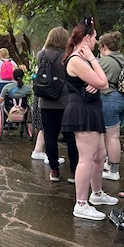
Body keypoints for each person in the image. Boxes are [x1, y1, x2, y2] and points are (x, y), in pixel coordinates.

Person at [61, 17, 115, 221]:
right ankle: (81, 204)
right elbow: (104, 83)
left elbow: (100, 82)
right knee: (86, 158)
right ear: (87, 38)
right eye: (94, 38)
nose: (96, 41)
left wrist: (95, 76)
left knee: (100, 155)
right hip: (82, 110)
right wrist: (93, 61)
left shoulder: (80, 58)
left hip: (90, 108)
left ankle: (97, 193)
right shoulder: (77, 59)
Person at [38, 27, 78, 183]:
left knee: (50, 137)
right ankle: (74, 171)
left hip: (45, 102)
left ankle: (54, 170)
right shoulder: (67, 56)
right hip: (65, 102)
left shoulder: (41, 54)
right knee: (70, 138)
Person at [98, 31, 124, 182]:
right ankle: (109, 162)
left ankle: (114, 170)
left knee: (112, 136)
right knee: (112, 135)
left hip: (110, 99)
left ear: (104, 47)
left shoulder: (104, 62)